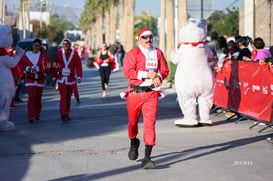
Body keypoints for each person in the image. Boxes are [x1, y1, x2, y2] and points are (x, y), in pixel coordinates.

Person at [123, 28, 169, 169]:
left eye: (150, 37)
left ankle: (147, 157)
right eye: (144, 37)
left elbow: (165, 70)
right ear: (139, 39)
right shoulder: (134, 53)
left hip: (151, 94)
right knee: (132, 123)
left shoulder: (158, 52)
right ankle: (133, 141)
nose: (148, 40)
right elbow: (128, 71)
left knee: (150, 125)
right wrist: (146, 74)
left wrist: (158, 77)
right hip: (135, 93)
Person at [19, 39, 51, 123]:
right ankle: (31, 116)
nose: (36, 47)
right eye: (35, 45)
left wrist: (39, 69)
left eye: (38, 46)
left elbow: (48, 65)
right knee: (31, 97)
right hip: (29, 80)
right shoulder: (27, 55)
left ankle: (37, 115)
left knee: (38, 98)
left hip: (40, 80)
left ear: (40, 47)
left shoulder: (43, 55)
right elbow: (20, 64)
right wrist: (27, 68)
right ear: (32, 46)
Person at [0, 25, 25, 131]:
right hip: (4, 82)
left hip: (4, 80)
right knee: (4, 102)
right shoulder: (2, 53)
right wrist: (19, 54)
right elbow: (12, 63)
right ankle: (2, 122)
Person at [51, 38, 82, 121]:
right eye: (64, 44)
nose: (65, 46)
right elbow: (55, 66)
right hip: (61, 79)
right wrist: (54, 76)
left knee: (68, 97)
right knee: (63, 97)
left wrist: (79, 76)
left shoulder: (75, 54)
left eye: (67, 44)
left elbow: (78, 66)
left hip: (71, 79)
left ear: (70, 45)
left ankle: (66, 113)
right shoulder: (59, 53)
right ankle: (63, 113)